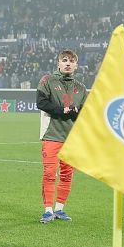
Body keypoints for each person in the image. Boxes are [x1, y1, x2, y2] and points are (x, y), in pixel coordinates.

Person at [36, 49, 87, 223]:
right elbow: (41, 103)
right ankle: (48, 210)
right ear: (58, 63)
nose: (67, 63)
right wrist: (62, 110)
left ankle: (60, 209)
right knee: (50, 173)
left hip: (72, 138)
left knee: (67, 174)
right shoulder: (47, 81)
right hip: (51, 135)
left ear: (76, 65)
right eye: (64, 60)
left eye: (71, 61)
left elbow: (85, 113)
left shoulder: (81, 87)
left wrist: (75, 112)